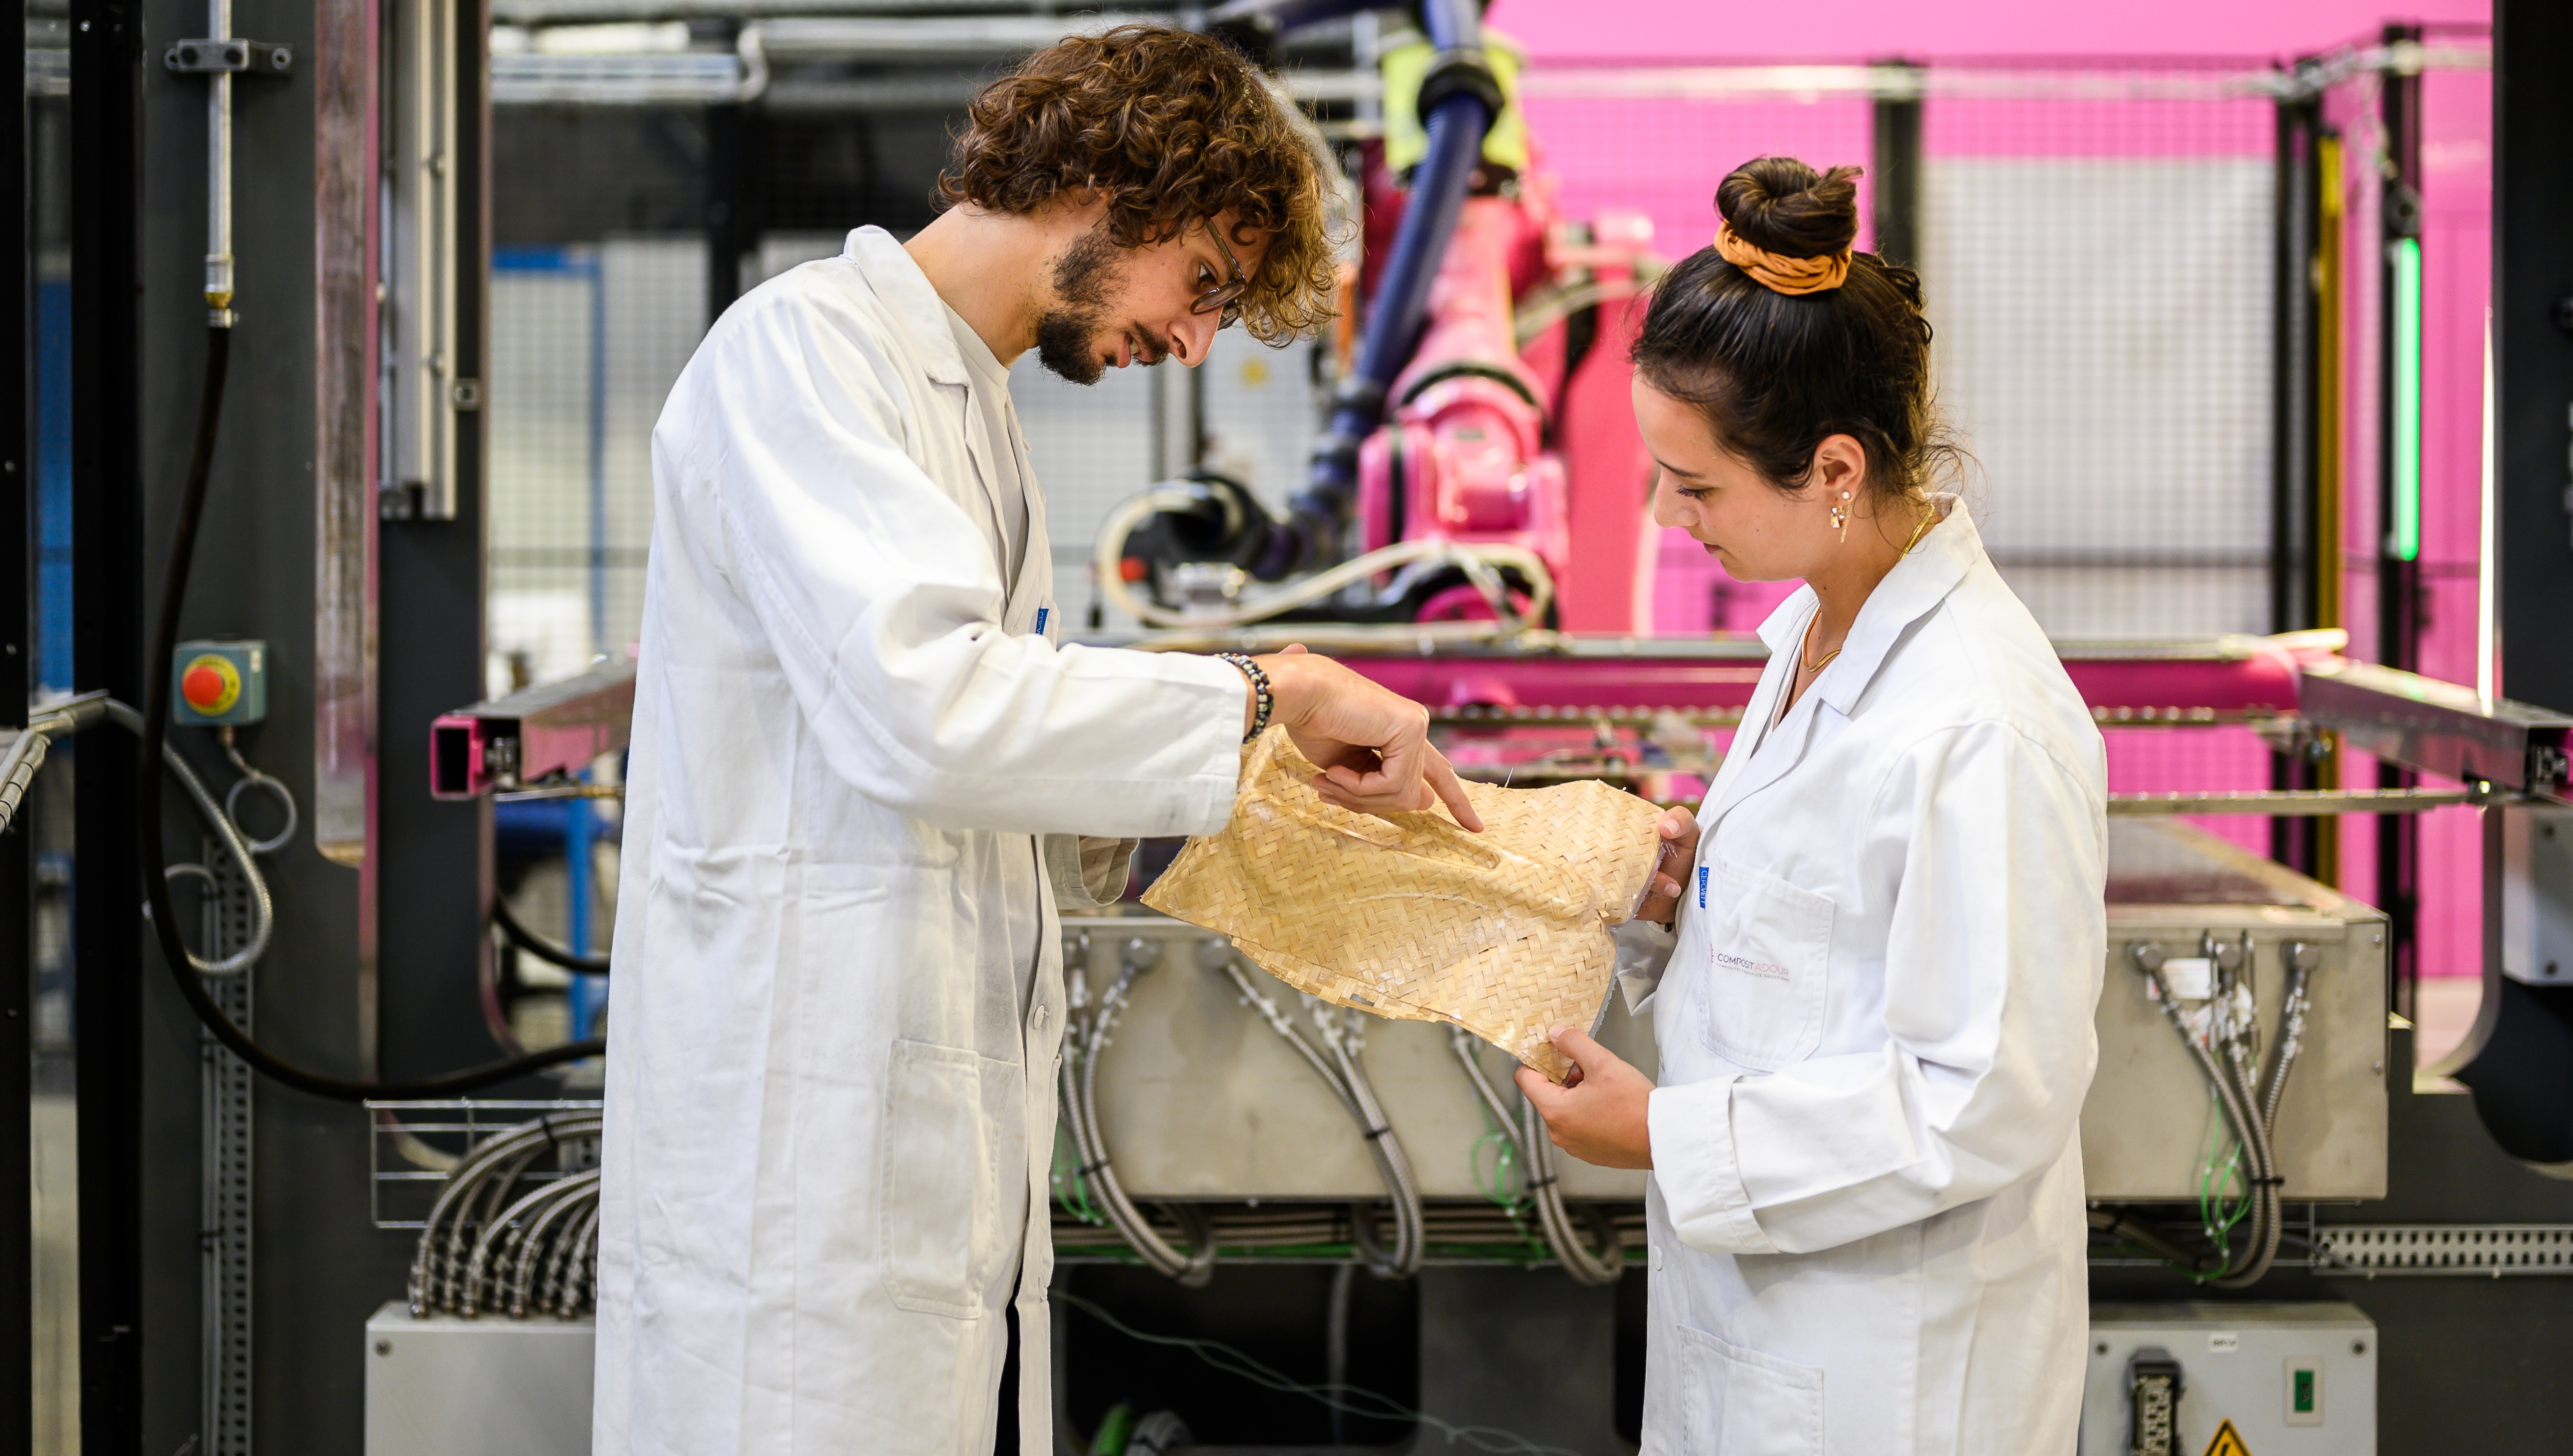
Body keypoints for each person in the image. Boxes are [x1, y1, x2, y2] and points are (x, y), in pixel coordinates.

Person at [591, 26, 1479, 1456]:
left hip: (921, 1196)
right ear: (1106, 181)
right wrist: (1265, 691)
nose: (1192, 342)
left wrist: (1267, 813)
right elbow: (929, 712)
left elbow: (993, 776)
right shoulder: (804, 355)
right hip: (794, 1200)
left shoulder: (976, 413)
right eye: (1201, 286)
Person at [1519, 157, 2108, 1455]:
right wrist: (1677, 911)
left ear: (1835, 467)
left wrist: (1671, 1137)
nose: (1669, 518)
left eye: (1699, 485)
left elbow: (1982, 1101)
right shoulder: (1811, 638)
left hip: (1893, 1378)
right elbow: (1817, 977)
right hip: (1767, 1339)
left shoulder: (1979, 719)